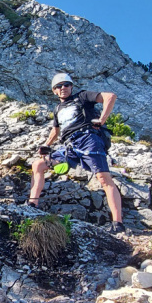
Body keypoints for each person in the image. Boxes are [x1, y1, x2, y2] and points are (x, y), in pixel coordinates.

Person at [28, 72, 125, 233]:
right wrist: (45, 145)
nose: (63, 88)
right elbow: (55, 131)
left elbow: (110, 96)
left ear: (71, 86)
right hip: (69, 146)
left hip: (89, 139)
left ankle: (118, 223)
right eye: (59, 86)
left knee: (103, 178)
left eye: (66, 84)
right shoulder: (58, 108)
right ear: (54, 91)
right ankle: (32, 204)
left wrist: (102, 120)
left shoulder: (82, 96)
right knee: (38, 164)